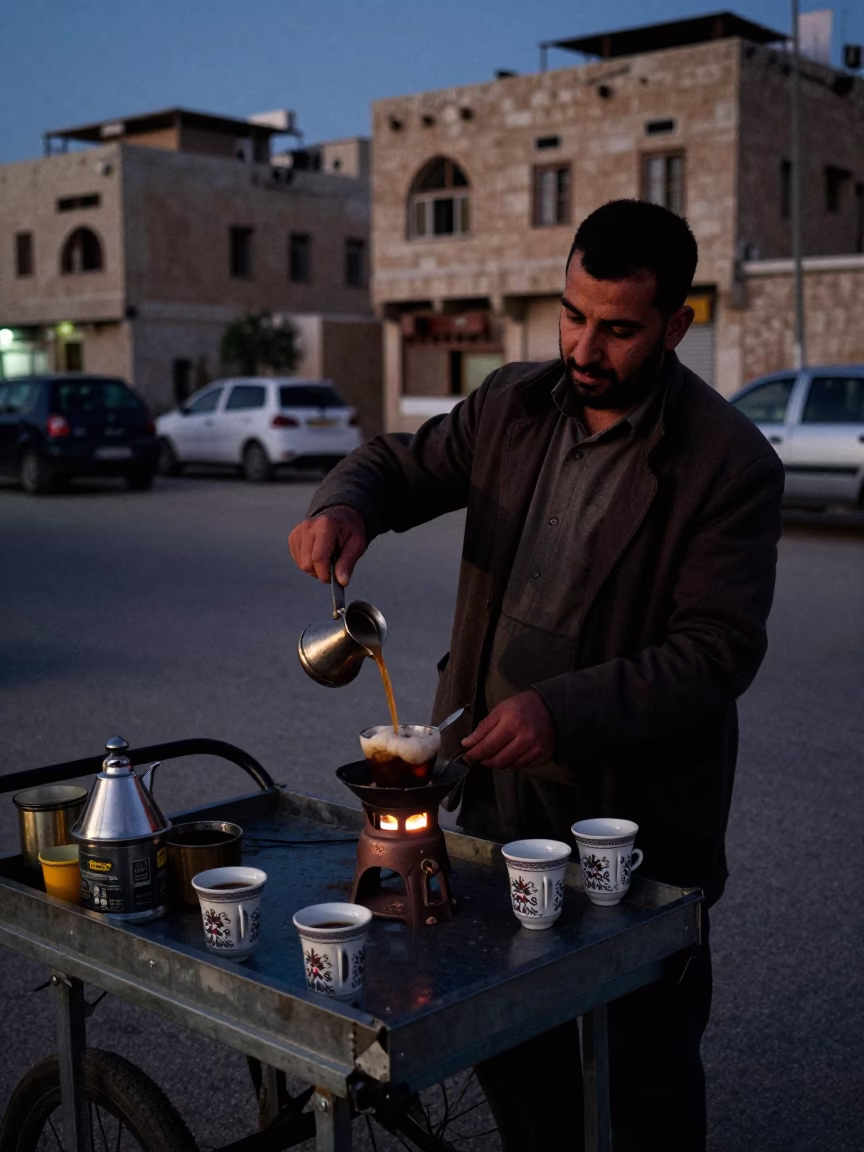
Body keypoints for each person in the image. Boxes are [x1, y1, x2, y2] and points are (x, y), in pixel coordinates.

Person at [289, 199, 785, 1150]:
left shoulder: (728, 462)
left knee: (643, 1078)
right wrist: (345, 505)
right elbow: (398, 464)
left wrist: (561, 710)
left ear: (676, 326)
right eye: (571, 314)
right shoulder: (512, 404)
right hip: (497, 796)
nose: (584, 348)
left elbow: (717, 649)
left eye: (618, 329)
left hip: (629, 825)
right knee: (517, 1056)